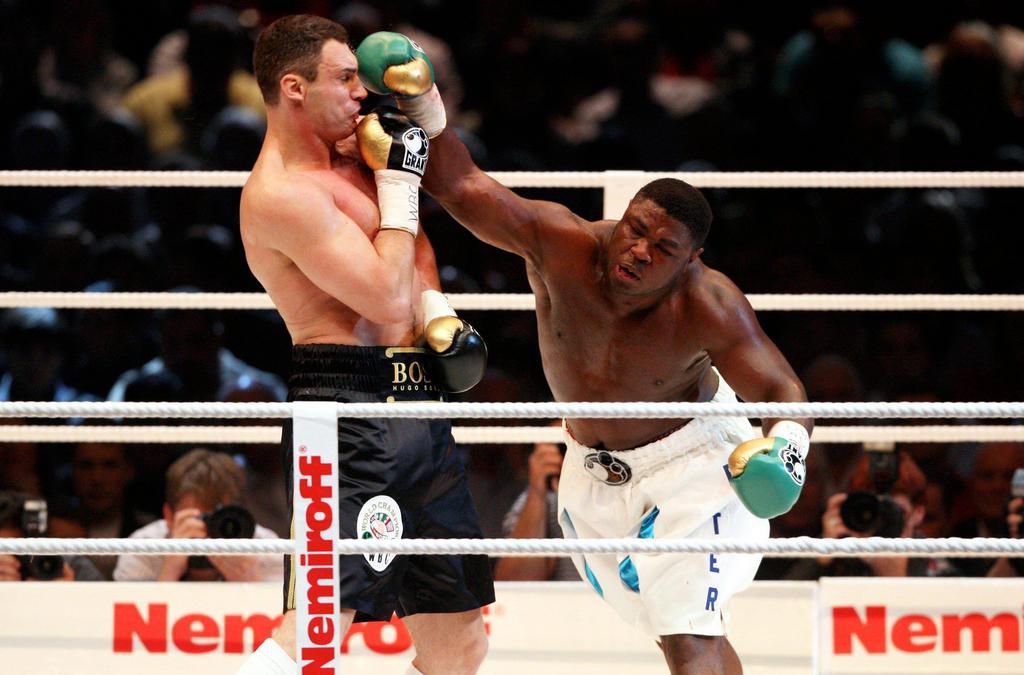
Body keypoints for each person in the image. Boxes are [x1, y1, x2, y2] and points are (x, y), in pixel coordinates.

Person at [356, 30, 813, 674]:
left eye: (663, 249)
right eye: (637, 230)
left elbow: (782, 389)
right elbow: (464, 188)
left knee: (689, 633)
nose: (639, 251)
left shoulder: (708, 304)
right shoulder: (562, 245)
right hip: (592, 469)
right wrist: (424, 105)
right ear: (623, 217)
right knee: (677, 627)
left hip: (695, 472)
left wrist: (787, 447)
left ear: (691, 261)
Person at [235, 15, 493, 675]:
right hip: (344, 410)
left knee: (459, 642)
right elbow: (382, 295)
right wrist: (400, 185)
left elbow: (412, 260)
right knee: (319, 630)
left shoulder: (355, 152)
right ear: (294, 87)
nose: (361, 91)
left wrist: (436, 310)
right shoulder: (281, 195)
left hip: (419, 404)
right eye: (345, 78)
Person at [113, 448, 282, 583]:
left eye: (219, 522)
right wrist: (168, 575)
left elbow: (288, 623)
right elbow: (127, 623)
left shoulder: (267, 550)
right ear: (168, 516)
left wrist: (252, 585)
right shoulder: (143, 549)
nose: (207, 534)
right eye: (198, 520)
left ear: (239, 517)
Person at [495, 435, 580, 581]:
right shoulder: (542, 501)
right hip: (562, 602)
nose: (570, 454)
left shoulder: (623, 493)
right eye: (562, 446)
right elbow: (514, 583)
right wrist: (537, 491)